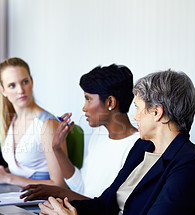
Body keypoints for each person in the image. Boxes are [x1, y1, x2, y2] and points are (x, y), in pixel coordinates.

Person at [38, 70, 195, 215]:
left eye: (137, 107)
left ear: (156, 112)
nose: (134, 116)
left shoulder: (189, 164)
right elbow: (105, 205)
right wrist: (61, 209)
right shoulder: (142, 147)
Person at [21, 64, 139, 201]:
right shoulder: (98, 136)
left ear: (110, 102)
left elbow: (111, 208)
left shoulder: (136, 146)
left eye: (88, 99)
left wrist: (58, 192)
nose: (84, 108)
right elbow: (82, 189)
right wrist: (57, 148)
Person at [0, 57, 67, 187]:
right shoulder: (12, 120)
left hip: (41, 202)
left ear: (32, 82)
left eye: (25, 82)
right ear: (3, 91)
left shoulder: (47, 125)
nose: (20, 90)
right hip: (15, 195)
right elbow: (24, 170)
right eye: (12, 85)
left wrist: (8, 178)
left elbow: (60, 184)